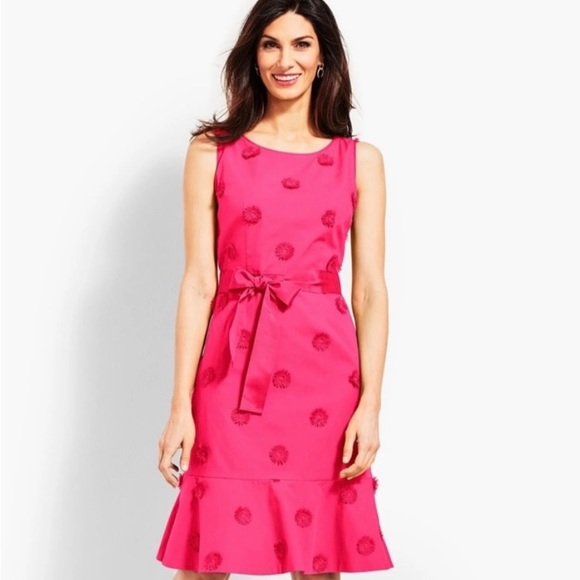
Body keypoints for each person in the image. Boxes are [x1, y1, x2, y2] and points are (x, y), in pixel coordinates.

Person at [156, 0, 394, 577]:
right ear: (253, 55)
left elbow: (369, 291)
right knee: (206, 554)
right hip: (230, 371)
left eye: (301, 44)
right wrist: (180, 406)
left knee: (320, 558)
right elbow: (198, 283)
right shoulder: (212, 151)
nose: (285, 60)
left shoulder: (359, 161)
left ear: (323, 57)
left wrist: (370, 406)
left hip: (324, 378)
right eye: (271, 44)